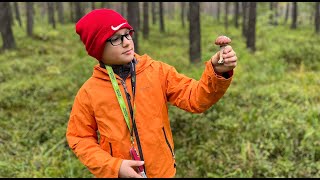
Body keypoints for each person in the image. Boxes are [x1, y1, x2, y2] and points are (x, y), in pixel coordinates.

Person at [66, 8, 237, 178]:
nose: (126, 42)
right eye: (115, 39)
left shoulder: (158, 72)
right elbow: (79, 138)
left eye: (127, 34)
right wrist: (114, 167)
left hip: (163, 173)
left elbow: (196, 99)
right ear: (97, 47)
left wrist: (217, 72)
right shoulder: (89, 92)